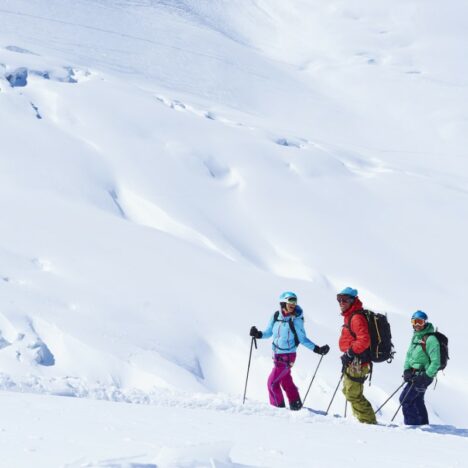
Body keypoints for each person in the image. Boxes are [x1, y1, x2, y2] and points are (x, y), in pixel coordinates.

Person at [250, 291, 330, 410]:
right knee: (285, 381)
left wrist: (317, 349)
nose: (293, 304)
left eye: (295, 301)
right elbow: (268, 332)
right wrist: (258, 334)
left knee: (272, 383)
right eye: (290, 301)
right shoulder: (276, 316)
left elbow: (302, 339)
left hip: (288, 356)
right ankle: (296, 405)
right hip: (276, 355)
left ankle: (277, 409)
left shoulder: (296, 320)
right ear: (283, 303)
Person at [337, 287, 377, 424]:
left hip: (358, 363)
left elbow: (364, 340)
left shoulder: (356, 317)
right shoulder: (351, 316)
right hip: (353, 361)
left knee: (353, 394)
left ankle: (368, 422)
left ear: (352, 300)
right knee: (349, 392)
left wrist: (349, 353)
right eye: (339, 299)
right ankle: (363, 421)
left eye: (344, 300)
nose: (341, 302)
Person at [399, 310, 440, 425]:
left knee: (405, 399)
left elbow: (436, 362)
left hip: (423, 376)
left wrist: (426, 376)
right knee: (417, 400)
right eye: (414, 321)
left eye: (420, 322)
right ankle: (423, 426)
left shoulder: (431, 339)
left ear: (425, 323)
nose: (417, 325)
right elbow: (409, 355)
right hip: (413, 375)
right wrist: (407, 369)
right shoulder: (416, 337)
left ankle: (412, 427)